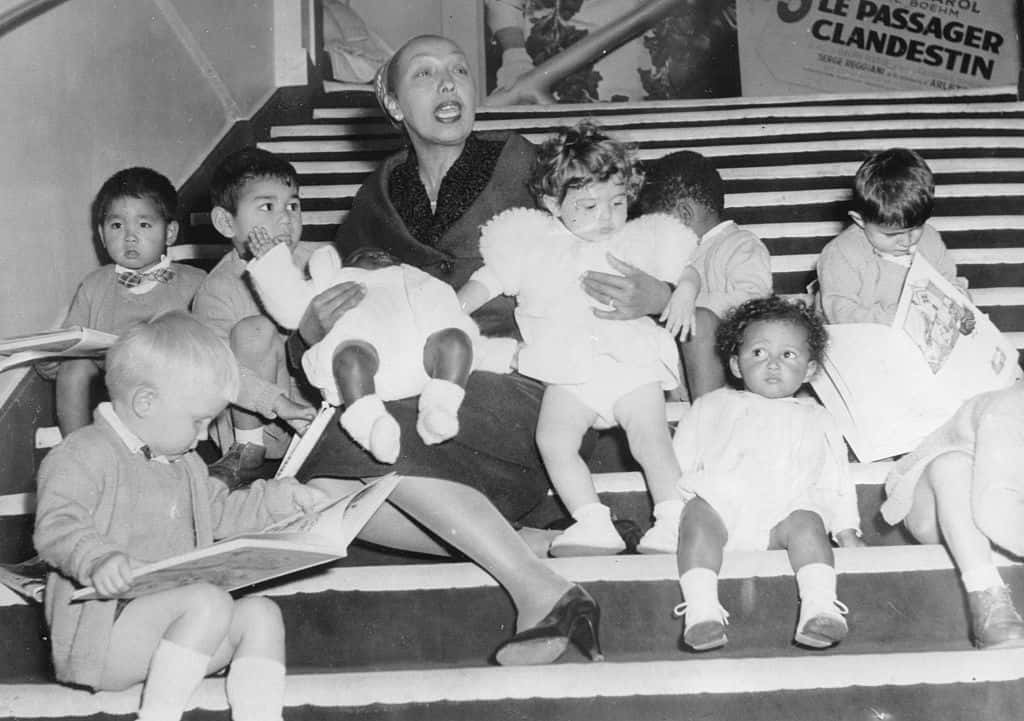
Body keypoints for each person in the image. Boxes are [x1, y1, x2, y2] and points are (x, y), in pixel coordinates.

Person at [294, 35, 621, 665]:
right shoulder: (376, 193)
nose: (449, 85)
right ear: (392, 102)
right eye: (425, 74)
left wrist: (659, 288)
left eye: (459, 72)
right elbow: (341, 311)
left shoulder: (523, 159)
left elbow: (620, 224)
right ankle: (524, 542)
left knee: (386, 441)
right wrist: (308, 332)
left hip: (525, 381)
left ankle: (541, 593)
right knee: (323, 485)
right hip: (417, 386)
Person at [32, 311, 329, 720]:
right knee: (208, 601)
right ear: (146, 402)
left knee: (261, 614)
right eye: (199, 421)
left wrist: (279, 500)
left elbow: (220, 510)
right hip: (105, 637)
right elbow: (57, 524)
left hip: (177, 633)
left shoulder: (184, 463)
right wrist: (96, 557)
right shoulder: (83, 453)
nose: (205, 436)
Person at [458, 121, 701, 556]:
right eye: (588, 205)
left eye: (618, 202)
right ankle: (592, 521)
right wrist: (451, 310)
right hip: (568, 368)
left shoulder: (639, 237)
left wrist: (684, 292)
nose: (606, 217)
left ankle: (672, 519)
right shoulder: (533, 241)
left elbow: (685, 267)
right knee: (554, 440)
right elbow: (490, 279)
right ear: (553, 202)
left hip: (629, 362)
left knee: (650, 438)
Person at [672, 296, 864, 652]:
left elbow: (837, 480)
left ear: (808, 369)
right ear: (735, 364)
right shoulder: (710, 406)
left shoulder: (818, 416)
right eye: (758, 353)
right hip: (723, 508)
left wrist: (847, 529)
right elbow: (678, 465)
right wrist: (670, 517)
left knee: (808, 522)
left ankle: (819, 607)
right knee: (697, 513)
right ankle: (701, 612)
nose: (773, 364)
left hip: (784, 513)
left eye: (788, 355)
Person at [245, 231, 516, 464]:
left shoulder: (413, 278)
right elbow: (291, 304)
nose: (378, 256)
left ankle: (440, 407)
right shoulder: (333, 279)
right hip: (367, 359)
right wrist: (272, 263)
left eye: (385, 256)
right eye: (365, 256)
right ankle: (370, 423)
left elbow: (451, 313)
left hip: (425, 359)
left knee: (455, 340)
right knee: (350, 358)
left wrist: (499, 353)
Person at [192, 148, 319, 488]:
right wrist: (278, 402)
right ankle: (248, 450)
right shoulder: (217, 289)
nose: (285, 218)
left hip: (313, 413)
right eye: (267, 207)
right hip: (258, 423)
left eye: (292, 205)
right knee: (254, 331)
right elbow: (218, 371)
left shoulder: (316, 261)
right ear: (225, 222)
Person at [48, 167, 206, 436]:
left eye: (144, 225)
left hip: (169, 385)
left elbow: (212, 347)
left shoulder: (196, 282)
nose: (129, 236)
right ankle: (78, 450)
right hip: (107, 380)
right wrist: (52, 357)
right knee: (73, 368)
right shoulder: (94, 284)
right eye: (117, 225)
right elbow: (71, 341)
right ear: (101, 234)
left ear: (170, 233)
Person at [881, 384, 1024, 649]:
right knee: (951, 465)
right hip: (934, 505)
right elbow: (994, 506)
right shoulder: (1006, 410)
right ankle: (988, 599)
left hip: (998, 505)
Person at [637, 150, 773, 400]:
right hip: (676, 376)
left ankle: (709, 419)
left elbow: (754, 302)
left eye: (658, 227)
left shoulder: (740, 244)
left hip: (726, 372)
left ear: (685, 214)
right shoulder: (677, 258)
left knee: (697, 320)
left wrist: (683, 304)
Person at [817, 147, 968, 324]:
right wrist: (898, 320)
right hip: (862, 325)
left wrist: (959, 300)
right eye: (892, 235)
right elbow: (840, 313)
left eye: (916, 227)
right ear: (860, 221)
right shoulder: (841, 254)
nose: (907, 241)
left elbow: (948, 279)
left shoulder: (930, 239)